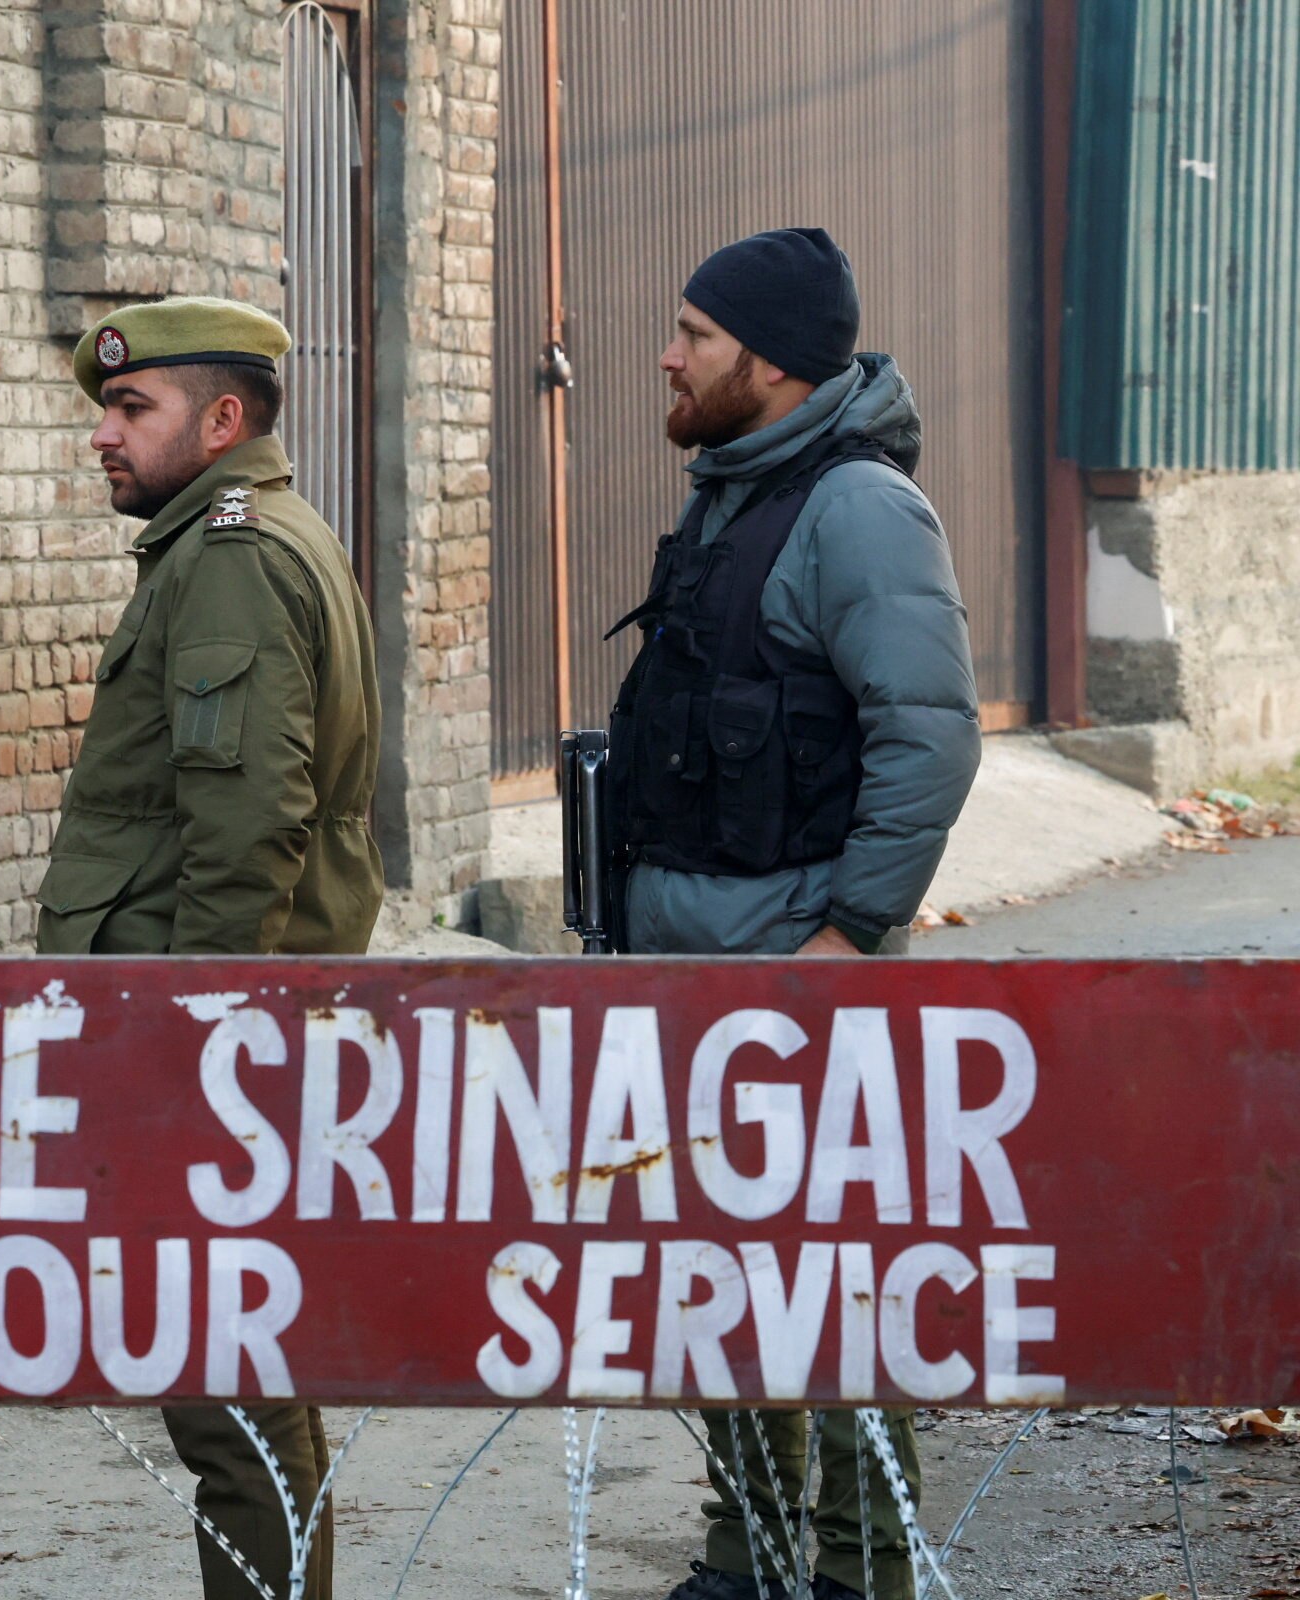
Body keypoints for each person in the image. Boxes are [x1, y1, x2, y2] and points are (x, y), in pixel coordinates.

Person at [603, 229, 980, 1600]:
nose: (669, 353)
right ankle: (748, 1556)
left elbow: (928, 737)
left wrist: (850, 937)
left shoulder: (858, 508)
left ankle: (859, 1567)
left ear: (767, 361)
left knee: (833, 1290)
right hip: (698, 977)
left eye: (694, 333)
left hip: (793, 981)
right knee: (721, 1285)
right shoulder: (734, 491)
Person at [36, 296, 381, 1600]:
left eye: (132, 411)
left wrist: (199, 1047)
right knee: (236, 1370)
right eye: (104, 414)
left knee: (227, 1381)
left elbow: (246, 834)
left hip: (201, 1046)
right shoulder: (236, 542)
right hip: (209, 1033)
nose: (104, 439)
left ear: (221, 420)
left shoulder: (232, 553)